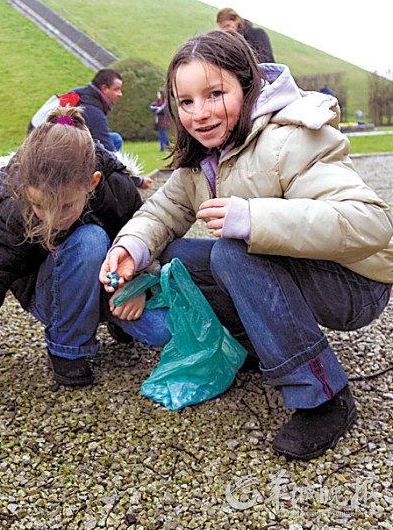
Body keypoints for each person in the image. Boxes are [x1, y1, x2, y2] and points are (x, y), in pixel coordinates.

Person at [99, 30, 393, 461]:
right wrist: (130, 248)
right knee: (179, 258)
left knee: (233, 252)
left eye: (215, 94)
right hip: (309, 271)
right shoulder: (204, 159)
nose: (199, 114)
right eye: (186, 102)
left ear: (247, 85)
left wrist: (254, 217)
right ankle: (261, 349)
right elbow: (161, 213)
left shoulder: (291, 138)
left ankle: (323, 395)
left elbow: (372, 221)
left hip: (355, 285)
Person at [0, 106, 170, 414]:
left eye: (65, 206)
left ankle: (114, 321)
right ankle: (68, 346)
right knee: (90, 239)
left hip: (109, 283)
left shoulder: (117, 190)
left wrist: (138, 287)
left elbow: (149, 241)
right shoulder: (13, 209)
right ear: (24, 187)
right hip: (50, 293)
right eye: (39, 205)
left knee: (162, 331)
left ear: (93, 182)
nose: (53, 219)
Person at [29, 69, 152, 189]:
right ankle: (102, 184)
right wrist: (138, 181)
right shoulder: (93, 113)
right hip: (51, 156)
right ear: (104, 88)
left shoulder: (79, 93)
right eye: (117, 89)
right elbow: (110, 155)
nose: (120, 94)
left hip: (38, 143)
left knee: (114, 138)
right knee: (109, 145)